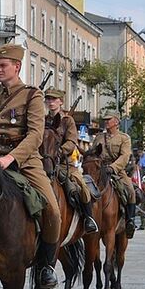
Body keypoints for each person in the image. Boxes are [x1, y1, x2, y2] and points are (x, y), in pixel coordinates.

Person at [0, 43, 61, 288]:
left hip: (25, 161)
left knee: (52, 210)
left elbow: (35, 135)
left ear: (17, 66)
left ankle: (46, 265)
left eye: (3, 66)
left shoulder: (33, 95)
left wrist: (11, 158)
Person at [44, 88, 97, 234]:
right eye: (48, 99)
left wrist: (59, 151)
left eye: (54, 99)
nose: (50, 102)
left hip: (63, 164)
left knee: (81, 187)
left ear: (60, 101)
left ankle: (88, 218)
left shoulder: (68, 121)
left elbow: (72, 141)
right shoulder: (42, 120)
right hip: (44, 162)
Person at [92, 110, 137, 238]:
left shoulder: (124, 138)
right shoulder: (99, 137)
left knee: (130, 190)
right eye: (105, 120)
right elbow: (93, 153)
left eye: (109, 119)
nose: (106, 122)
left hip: (116, 170)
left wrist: (113, 167)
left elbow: (125, 156)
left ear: (116, 121)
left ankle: (130, 220)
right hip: (99, 170)